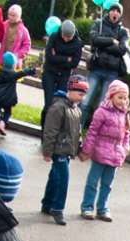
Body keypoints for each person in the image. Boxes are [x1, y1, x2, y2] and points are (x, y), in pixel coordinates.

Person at [79, 79, 130, 222]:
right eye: (120, 97)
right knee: (93, 182)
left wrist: (126, 147)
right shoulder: (102, 112)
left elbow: (126, 132)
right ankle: (87, 206)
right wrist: (87, 150)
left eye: (125, 98)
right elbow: (92, 132)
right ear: (111, 96)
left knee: (107, 185)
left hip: (115, 155)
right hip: (100, 153)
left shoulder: (124, 113)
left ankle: (102, 208)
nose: (122, 101)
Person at [40, 76, 86, 226]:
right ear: (70, 90)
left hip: (67, 150)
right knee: (63, 179)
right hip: (58, 149)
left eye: (84, 93)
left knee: (55, 176)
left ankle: (47, 203)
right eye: (79, 92)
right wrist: (47, 151)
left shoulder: (76, 109)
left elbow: (77, 132)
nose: (82, 96)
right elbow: (50, 131)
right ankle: (57, 208)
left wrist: (78, 148)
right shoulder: (58, 107)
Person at [82, 1, 129, 130]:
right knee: (85, 102)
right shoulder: (99, 24)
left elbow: (121, 49)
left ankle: (94, 133)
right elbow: (94, 40)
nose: (115, 13)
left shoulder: (123, 31)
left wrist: (103, 44)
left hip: (111, 73)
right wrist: (112, 41)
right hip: (96, 69)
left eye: (118, 11)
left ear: (120, 15)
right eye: (113, 10)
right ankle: (77, 129)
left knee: (102, 107)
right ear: (109, 12)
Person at [40, 19, 81, 127]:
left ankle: (55, 129)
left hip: (64, 76)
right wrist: (67, 59)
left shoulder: (77, 43)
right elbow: (49, 57)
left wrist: (57, 57)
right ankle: (44, 129)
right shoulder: (54, 37)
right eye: (64, 36)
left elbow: (74, 63)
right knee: (49, 103)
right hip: (49, 73)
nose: (66, 39)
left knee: (59, 105)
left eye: (69, 37)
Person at [0, 50, 33, 136]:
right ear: (12, 65)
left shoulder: (0, 73)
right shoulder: (13, 75)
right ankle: (2, 125)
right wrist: (31, 70)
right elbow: (22, 73)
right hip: (7, 99)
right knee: (7, 112)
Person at [0, 3, 29, 67]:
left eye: (13, 15)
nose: (10, 17)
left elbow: (27, 45)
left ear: (19, 16)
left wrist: (17, 55)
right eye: (9, 14)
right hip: (1, 61)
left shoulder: (23, 30)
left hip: (14, 63)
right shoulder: (3, 25)